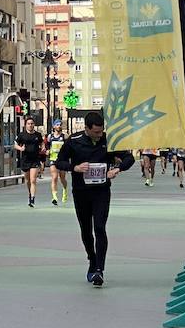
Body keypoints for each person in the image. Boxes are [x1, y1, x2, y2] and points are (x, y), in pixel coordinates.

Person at [53, 111, 135, 288]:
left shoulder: (108, 140)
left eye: (101, 131)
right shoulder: (74, 141)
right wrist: (74, 167)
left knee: (99, 227)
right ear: (87, 129)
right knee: (86, 230)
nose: (99, 135)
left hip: (101, 191)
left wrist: (117, 169)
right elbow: (59, 162)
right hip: (81, 192)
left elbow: (130, 158)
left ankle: (99, 269)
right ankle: (92, 257)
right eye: (96, 132)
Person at [15, 117, 47, 207]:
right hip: (25, 160)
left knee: (33, 180)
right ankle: (30, 194)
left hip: (35, 160)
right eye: (28, 123)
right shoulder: (22, 135)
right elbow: (15, 144)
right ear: (26, 125)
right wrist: (21, 148)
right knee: (28, 180)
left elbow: (42, 143)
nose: (30, 125)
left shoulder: (38, 135)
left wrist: (43, 147)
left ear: (34, 125)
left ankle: (32, 198)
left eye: (32, 123)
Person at [47, 121, 69, 206]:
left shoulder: (65, 136)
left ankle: (65, 190)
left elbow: (68, 146)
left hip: (62, 159)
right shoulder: (50, 136)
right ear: (54, 126)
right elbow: (47, 146)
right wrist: (47, 151)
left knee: (62, 177)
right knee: (54, 177)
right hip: (53, 159)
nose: (59, 126)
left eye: (60, 125)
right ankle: (54, 196)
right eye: (57, 125)